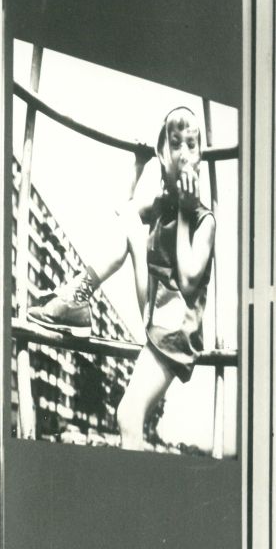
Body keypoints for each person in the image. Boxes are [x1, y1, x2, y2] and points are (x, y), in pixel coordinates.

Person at [28, 105, 216, 452]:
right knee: (129, 218)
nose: (184, 154)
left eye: (192, 145)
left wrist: (185, 213)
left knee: (129, 415)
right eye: (175, 144)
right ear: (162, 154)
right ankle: (78, 296)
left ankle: (75, 299)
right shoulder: (162, 205)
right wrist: (138, 166)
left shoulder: (204, 220)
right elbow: (124, 212)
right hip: (156, 307)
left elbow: (190, 283)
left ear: (201, 159)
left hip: (176, 324)